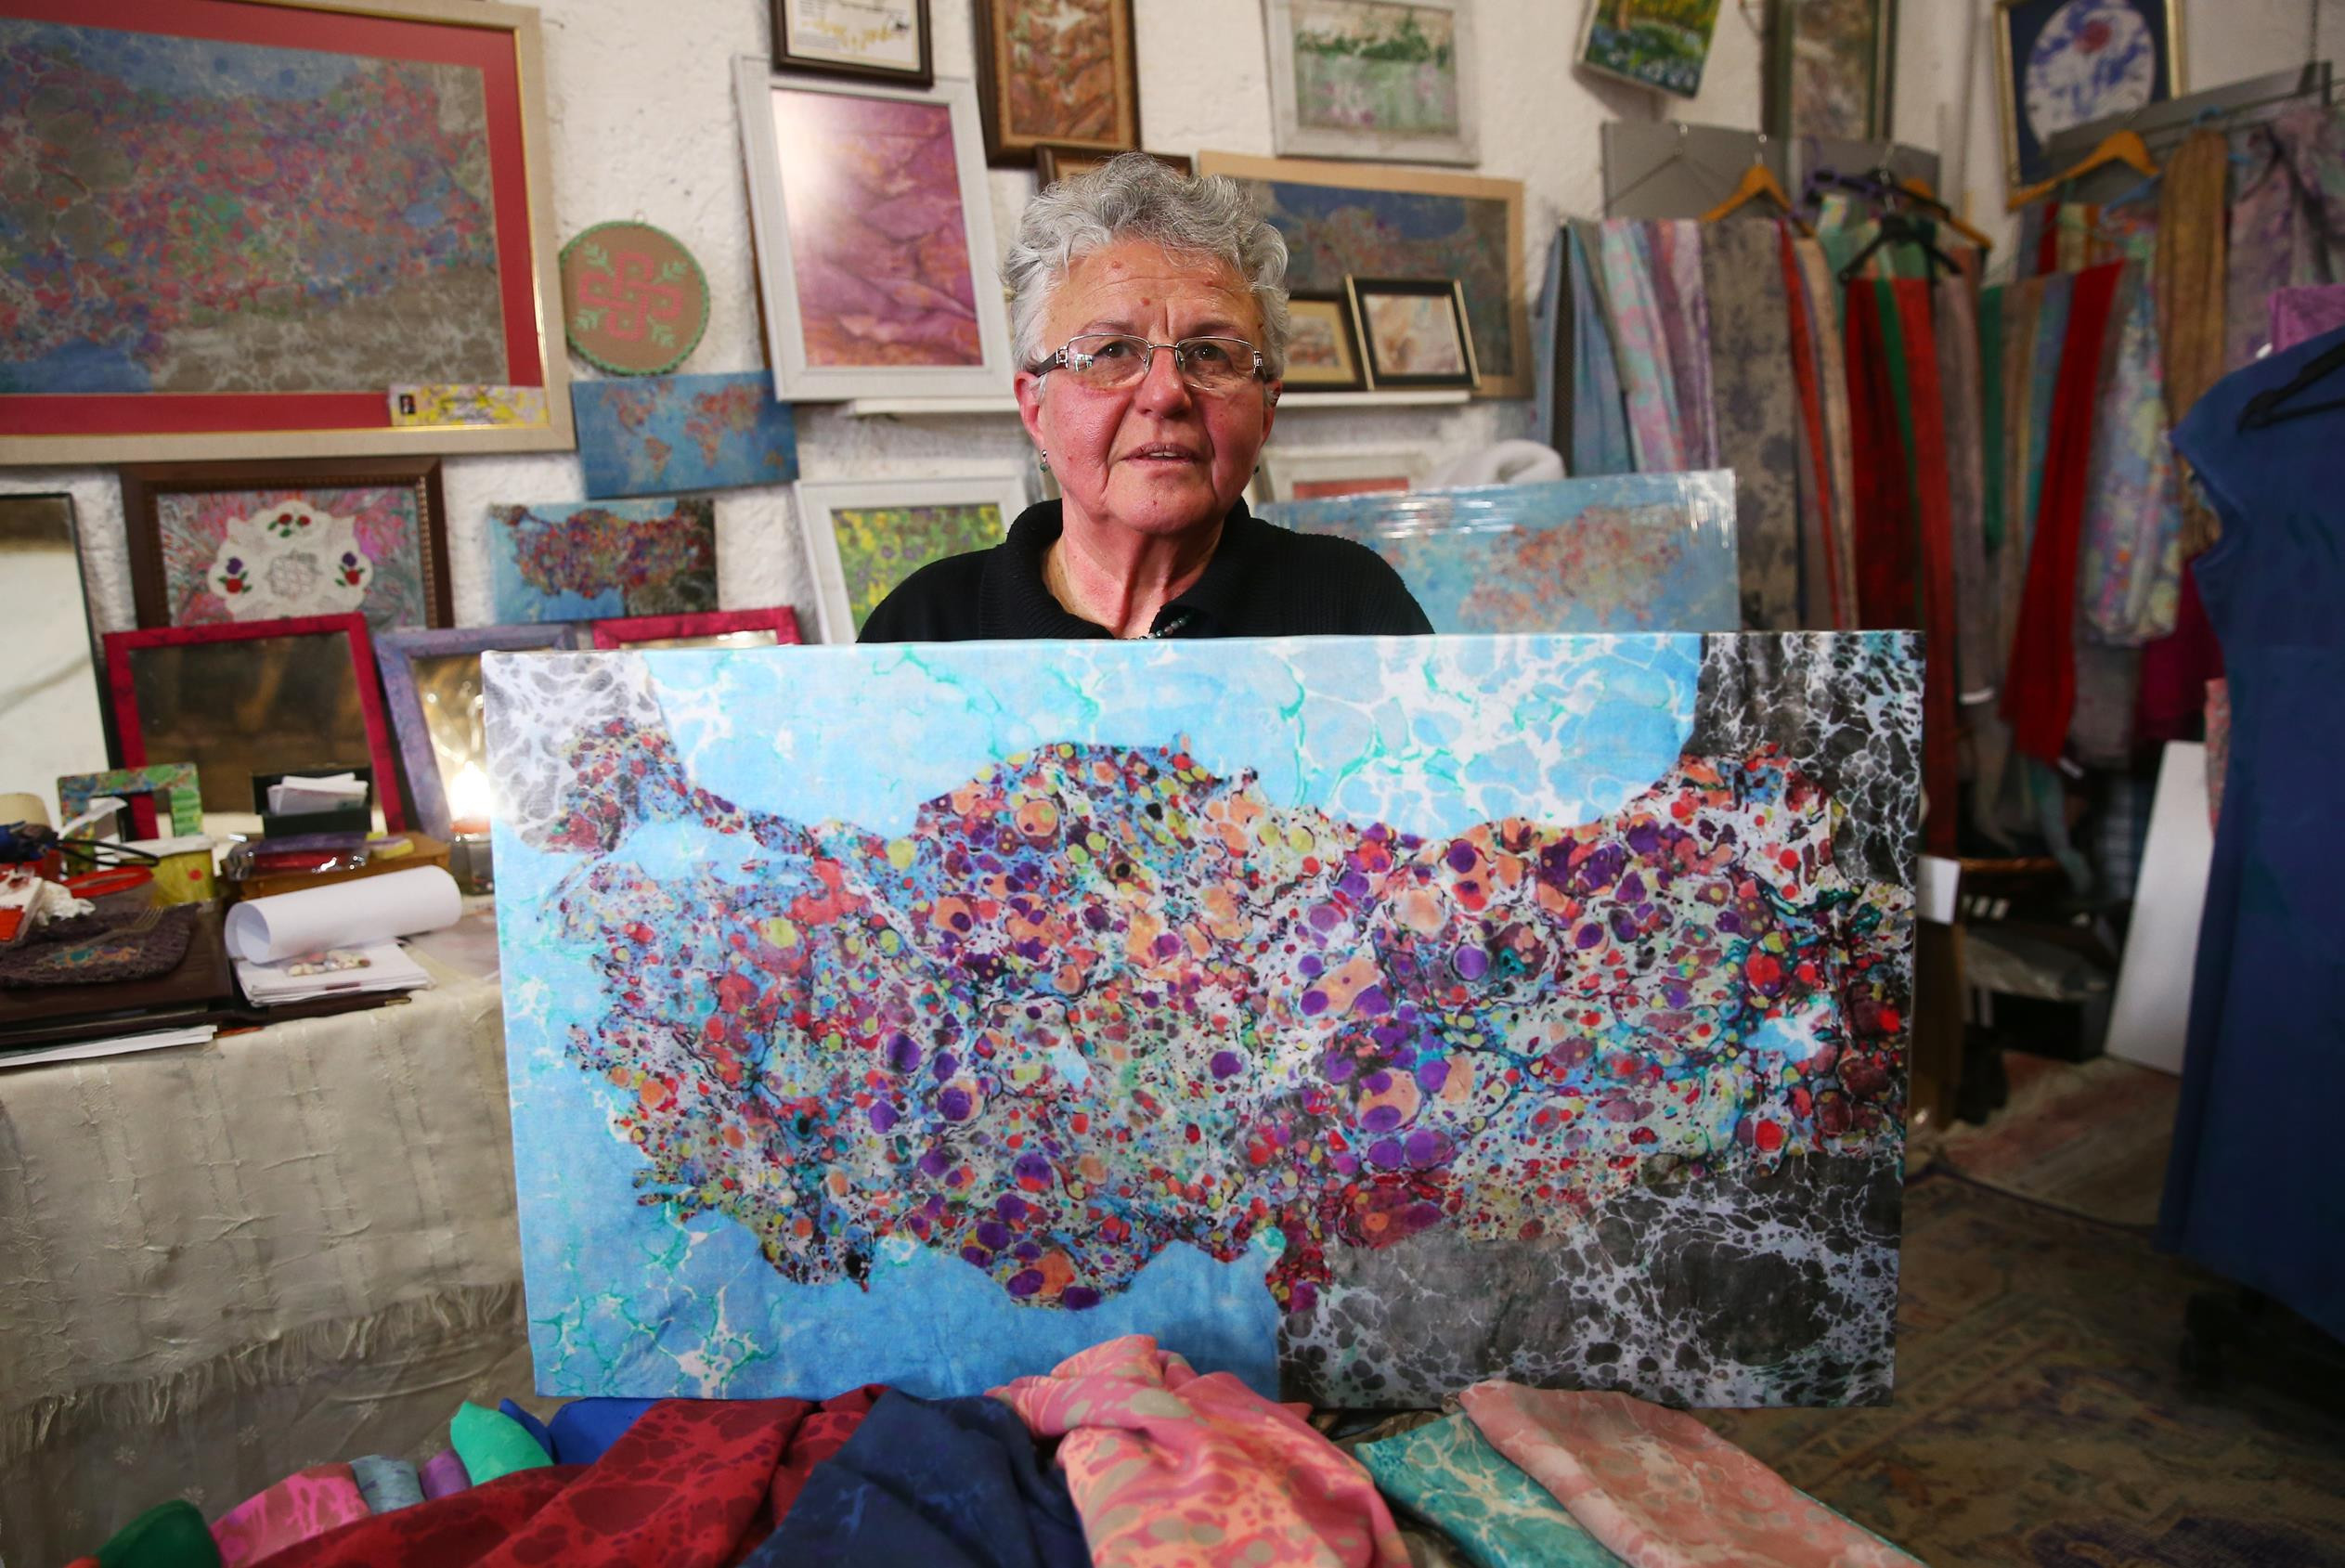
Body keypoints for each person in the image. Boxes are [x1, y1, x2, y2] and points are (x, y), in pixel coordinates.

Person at [859, 153, 1433, 642]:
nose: (1166, 394)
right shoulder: (925, 628)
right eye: (1111, 351)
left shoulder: (1352, 611)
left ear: (1266, 411)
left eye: (1210, 353)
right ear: (1035, 409)